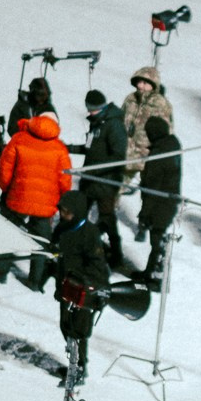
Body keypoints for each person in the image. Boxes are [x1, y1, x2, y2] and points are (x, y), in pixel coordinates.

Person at [0, 112, 73, 289]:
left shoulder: (19, 138)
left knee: (8, 233)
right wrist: (59, 200)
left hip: (18, 197)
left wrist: (6, 189)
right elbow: (65, 180)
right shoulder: (59, 148)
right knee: (41, 242)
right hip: (45, 206)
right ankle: (35, 281)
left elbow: (5, 169)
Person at [51, 189, 107, 387]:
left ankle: (80, 368)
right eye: (62, 211)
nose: (63, 215)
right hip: (67, 288)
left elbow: (98, 265)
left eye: (67, 212)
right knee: (65, 326)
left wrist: (90, 286)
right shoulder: (62, 229)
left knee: (79, 331)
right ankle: (73, 364)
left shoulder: (90, 233)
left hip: (84, 291)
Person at [74, 89, 128, 268]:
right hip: (89, 180)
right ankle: (76, 247)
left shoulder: (114, 125)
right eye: (90, 109)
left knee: (107, 218)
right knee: (79, 213)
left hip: (105, 181)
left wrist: (97, 170)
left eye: (94, 109)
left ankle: (117, 255)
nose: (91, 113)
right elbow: (89, 148)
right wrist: (67, 148)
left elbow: (119, 156)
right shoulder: (96, 123)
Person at [136, 115, 183, 286]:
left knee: (157, 241)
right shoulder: (172, 144)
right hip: (168, 201)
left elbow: (152, 187)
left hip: (160, 204)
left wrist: (144, 214)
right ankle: (151, 273)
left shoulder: (159, 154)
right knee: (159, 239)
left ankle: (155, 278)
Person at [120, 66, 172, 202]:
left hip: (146, 155)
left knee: (149, 194)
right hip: (126, 152)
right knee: (114, 187)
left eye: (145, 83)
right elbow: (120, 120)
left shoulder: (160, 104)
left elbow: (166, 131)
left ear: (153, 85)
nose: (141, 86)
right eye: (139, 82)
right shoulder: (130, 99)